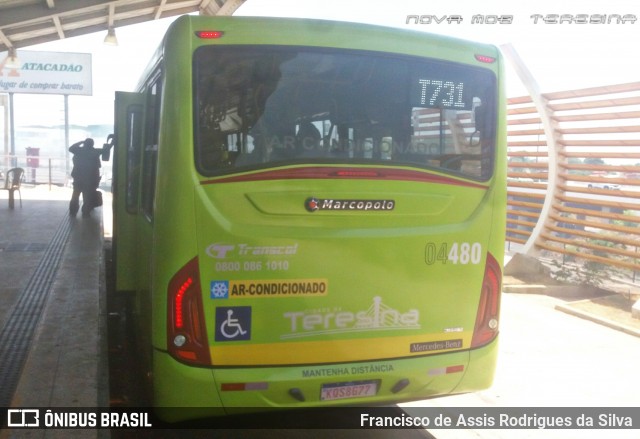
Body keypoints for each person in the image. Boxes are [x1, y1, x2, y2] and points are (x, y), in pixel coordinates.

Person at [68, 137, 112, 217]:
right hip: (90, 178)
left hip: (78, 177)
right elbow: (106, 150)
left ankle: (73, 211)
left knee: (75, 195)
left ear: (85, 144)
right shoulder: (95, 151)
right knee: (87, 196)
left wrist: (80, 141)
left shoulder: (78, 150)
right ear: (92, 144)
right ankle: (85, 212)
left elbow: (70, 148)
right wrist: (112, 142)